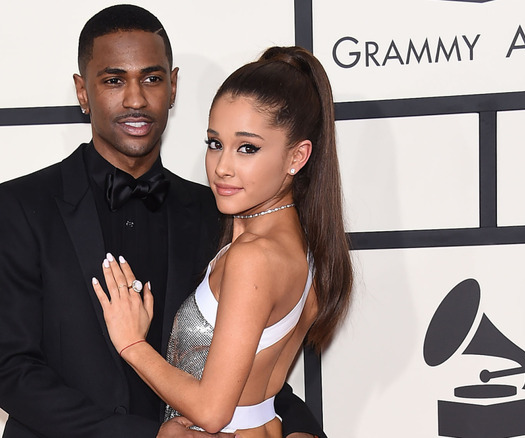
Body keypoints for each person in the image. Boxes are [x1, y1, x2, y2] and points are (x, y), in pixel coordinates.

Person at [0, 4, 324, 438]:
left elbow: (242, 360)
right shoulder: (21, 205)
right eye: (113, 80)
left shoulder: (216, 211)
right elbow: (12, 372)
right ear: (82, 91)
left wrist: (300, 428)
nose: (136, 98)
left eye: (152, 78)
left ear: (174, 86)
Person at [92, 46, 353, 437]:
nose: (222, 166)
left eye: (248, 148)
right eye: (215, 143)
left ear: (297, 157)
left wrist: (132, 344)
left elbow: (212, 412)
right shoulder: (305, 244)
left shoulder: (254, 258)